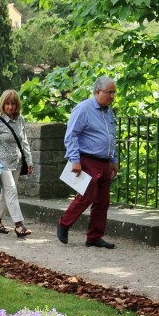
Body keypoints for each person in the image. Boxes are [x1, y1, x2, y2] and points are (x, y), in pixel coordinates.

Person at [56, 76, 118, 249]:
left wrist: (114, 159)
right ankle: (64, 223)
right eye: (109, 92)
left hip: (105, 161)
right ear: (97, 91)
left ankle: (94, 237)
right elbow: (71, 135)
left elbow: (111, 138)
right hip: (87, 159)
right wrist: (74, 160)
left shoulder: (109, 112)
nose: (112, 96)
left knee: (103, 200)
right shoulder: (83, 109)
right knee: (88, 195)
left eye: (114, 93)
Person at [0, 89, 33, 237]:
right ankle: (19, 225)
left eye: (13, 104)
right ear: (2, 104)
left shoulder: (20, 120)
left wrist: (29, 160)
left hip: (17, 162)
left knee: (6, 193)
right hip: (2, 164)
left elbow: (24, 141)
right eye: (7, 104)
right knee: (11, 190)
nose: (10, 107)